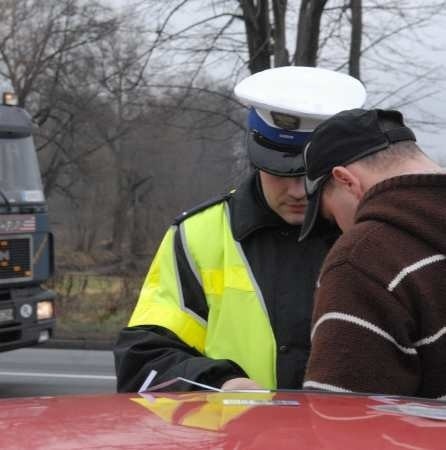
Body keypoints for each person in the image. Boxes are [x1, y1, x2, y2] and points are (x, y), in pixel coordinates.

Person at [113, 67, 366, 392]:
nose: (298, 191)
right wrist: (220, 385)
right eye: (280, 172)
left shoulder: (370, 235)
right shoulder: (198, 235)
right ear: (255, 158)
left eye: (311, 176)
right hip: (234, 440)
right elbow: (144, 361)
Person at [299, 108, 446, 398]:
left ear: (346, 180)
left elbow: (341, 422)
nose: (341, 230)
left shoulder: (363, 260)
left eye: (330, 217)